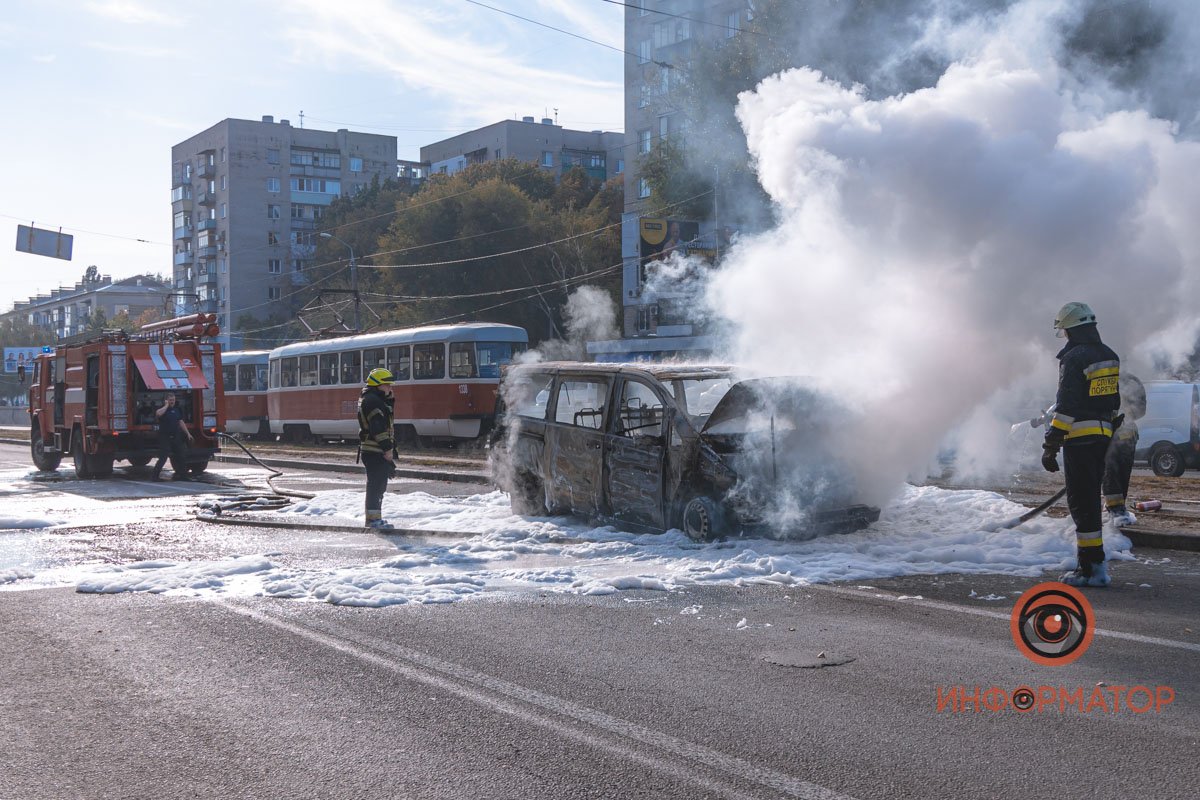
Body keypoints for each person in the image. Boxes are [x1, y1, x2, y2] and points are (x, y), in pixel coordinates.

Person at [1041, 302, 1121, 587]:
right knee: (1089, 500)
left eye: (1063, 330)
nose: (1063, 335)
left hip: (1080, 439)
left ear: (1072, 329)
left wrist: (1051, 443)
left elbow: (1067, 405)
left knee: (1081, 503)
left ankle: (1090, 570)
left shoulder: (1074, 358)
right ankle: (1094, 566)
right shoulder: (1109, 355)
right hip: (1103, 438)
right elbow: (1113, 403)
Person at [1103, 373, 1145, 527]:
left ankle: (1116, 509)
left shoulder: (1105, 379)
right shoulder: (1134, 380)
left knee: (1111, 471)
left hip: (1111, 433)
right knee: (1122, 473)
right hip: (1130, 434)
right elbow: (1142, 410)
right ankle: (1118, 507)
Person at [358, 367, 397, 529]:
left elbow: (384, 416)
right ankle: (373, 521)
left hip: (373, 450)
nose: (390, 388)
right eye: (387, 385)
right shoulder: (373, 401)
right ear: (378, 385)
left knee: (378, 485)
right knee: (376, 485)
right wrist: (388, 450)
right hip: (375, 450)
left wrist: (389, 400)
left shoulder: (372, 399)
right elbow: (378, 429)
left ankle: (375, 518)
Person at [152, 392, 192, 481]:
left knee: (181, 455)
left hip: (176, 436)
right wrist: (166, 406)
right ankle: (155, 476)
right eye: (170, 400)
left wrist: (188, 433)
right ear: (166, 400)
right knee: (163, 457)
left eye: (173, 400)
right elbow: (158, 414)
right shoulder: (162, 409)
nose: (172, 402)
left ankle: (183, 476)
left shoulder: (177, 409)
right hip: (164, 436)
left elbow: (180, 422)